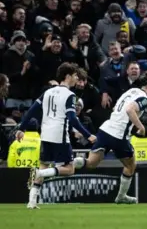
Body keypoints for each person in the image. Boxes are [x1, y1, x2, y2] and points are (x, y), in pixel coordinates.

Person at [14, 63, 96, 209]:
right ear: (68, 76)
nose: (77, 78)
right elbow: (72, 118)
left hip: (45, 134)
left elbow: (32, 110)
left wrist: (21, 128)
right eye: (75, 75)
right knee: (69, 169)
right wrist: (88, 135)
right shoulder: (70, 95)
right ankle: (42, 173)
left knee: (44, 163)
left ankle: (32, 201)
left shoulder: (48, 92)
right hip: (59, 135)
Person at [72, 74, 147, 204]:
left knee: (91, 163)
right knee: (131, 165)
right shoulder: (144, 99)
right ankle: (121, 196)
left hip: (106, 129)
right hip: (119, 134)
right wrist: (141, 127)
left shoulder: (130, 91)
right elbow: (130, 110)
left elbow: (116, 108)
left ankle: (66, 164)